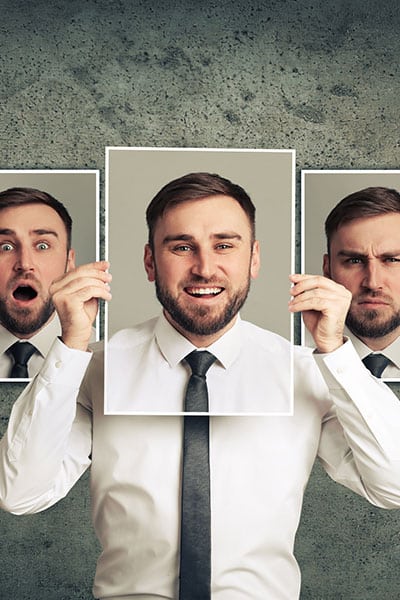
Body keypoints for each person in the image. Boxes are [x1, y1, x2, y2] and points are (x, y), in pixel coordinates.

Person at [1, 172, 400, 600]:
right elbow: (21, 493)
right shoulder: (92, 368)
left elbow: (391, 485)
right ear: (150, 261)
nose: (205, 267)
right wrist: (70, 345)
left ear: (254, 259)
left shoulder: (306, 372)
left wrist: (337, 353)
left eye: (224, 245)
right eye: (182, 247)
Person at [323, 186, 400, 378]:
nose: (373, 283)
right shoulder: (290, 360)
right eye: (354, 261)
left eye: (392, 260)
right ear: (327, 268)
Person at [0, 187, 76, 379]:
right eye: (6, 247)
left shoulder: (100, 353)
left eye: (42, 246)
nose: (25, 264)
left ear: (69, 263)